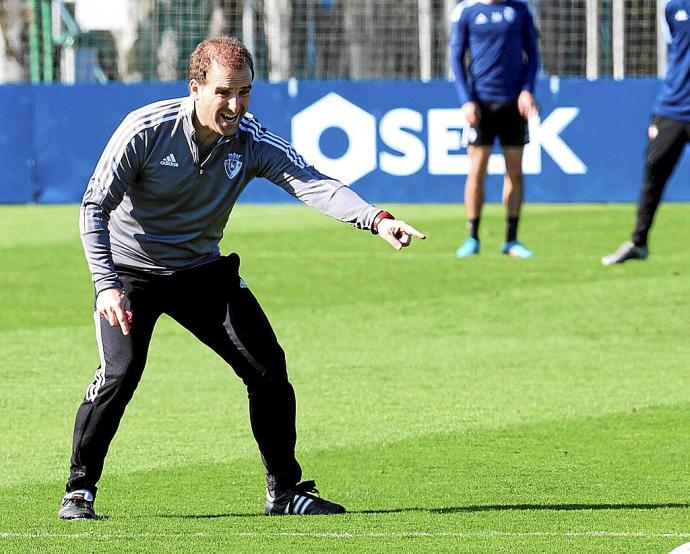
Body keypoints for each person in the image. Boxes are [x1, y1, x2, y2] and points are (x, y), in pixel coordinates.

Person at [59, 36, 425, 520]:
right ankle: (79, 490)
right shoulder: (145, 130)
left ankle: (286, 492)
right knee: (119, 374)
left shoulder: (251, 140)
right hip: (131, 272)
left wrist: (376, 219)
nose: (235, 105)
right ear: (196, 87)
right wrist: (106, 284)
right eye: (224, 92)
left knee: (268, 367)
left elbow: (311, 181)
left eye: (245, 92)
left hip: (202, 271)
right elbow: (93, 206)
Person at [449, 0, 539, 258]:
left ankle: (511, 239)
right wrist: (466, 100)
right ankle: (472, 237)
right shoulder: (467, 11)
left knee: (514, 170)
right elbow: (456, 58)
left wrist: (527, 90)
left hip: (514, 104)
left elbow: (532, 54)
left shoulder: (520, 9)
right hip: (481, 104)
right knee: (477, 169)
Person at [602, 0, 690, 265]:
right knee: (654, 169)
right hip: (672, 106)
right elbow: (676, 53)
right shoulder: (673, 7)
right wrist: (657, 113)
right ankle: (638, 242)